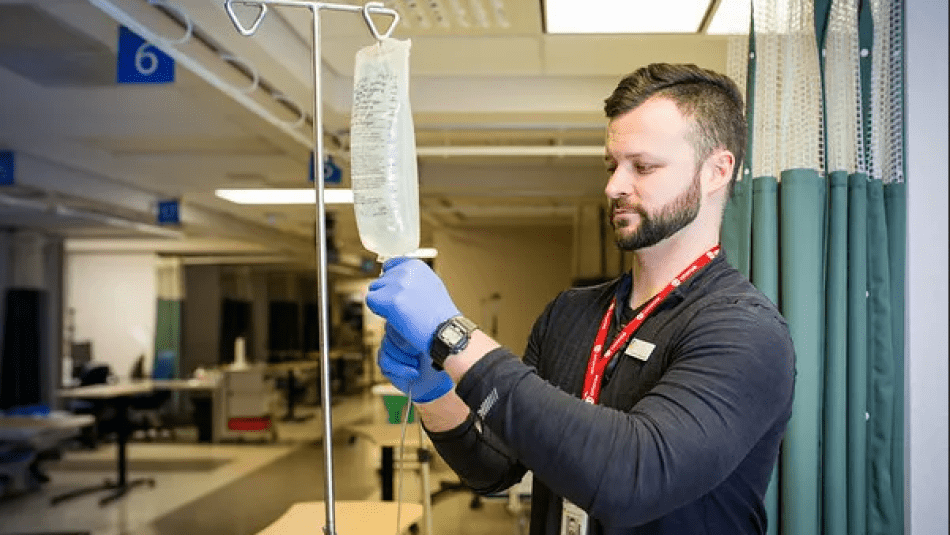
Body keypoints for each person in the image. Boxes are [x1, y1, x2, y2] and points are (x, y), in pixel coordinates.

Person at [366, 63, 796, 535]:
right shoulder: (569, 314)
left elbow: (633, 477)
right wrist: (435, 392)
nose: (613, 187)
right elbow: (496, 468)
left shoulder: (745, 331)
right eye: (612, 166)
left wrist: (454, 337)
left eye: (643, 167)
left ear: (717, 171)